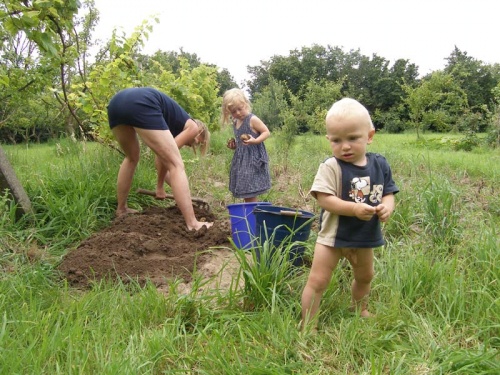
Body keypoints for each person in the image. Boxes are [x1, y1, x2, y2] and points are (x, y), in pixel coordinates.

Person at [301, 98, 398, 329]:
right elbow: (325, 199)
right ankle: (308, 325)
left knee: (365, 276)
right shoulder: (331, 167)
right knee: (318, 280)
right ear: (328, 140)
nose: (344, 146)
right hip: (333, 237)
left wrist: (387, 208)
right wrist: (354, 208)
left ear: (369, 135)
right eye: (336, 140)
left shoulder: (380, 164)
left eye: (352, 138)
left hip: (365, 235)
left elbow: (389, 193)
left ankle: (359, 308)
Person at [107, 87, 213, 231]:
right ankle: (193, 224)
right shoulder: (193, 127)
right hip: (141, 102)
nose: (194, 144)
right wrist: (159, 187)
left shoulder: (172, 123)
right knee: (177, 164)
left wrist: (164, 186)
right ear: (200, 132)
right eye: (199, 141)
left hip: (116, 103)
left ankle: (121, 209)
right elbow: (163, 161)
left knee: (131, 157)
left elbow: (162, 161)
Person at [221, 88, 271, 202]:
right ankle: (250, 212)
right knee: (245, 188)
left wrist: (256, 140)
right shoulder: (236, 122)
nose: (238, 113)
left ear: (246, 104)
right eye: (234, 111)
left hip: (253, 160)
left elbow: (266, 132)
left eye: (240, 109)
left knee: (249, 188)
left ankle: (251, 213)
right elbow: (241, 142)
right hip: (241, 160)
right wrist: (234, 146)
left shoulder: (252, 119)